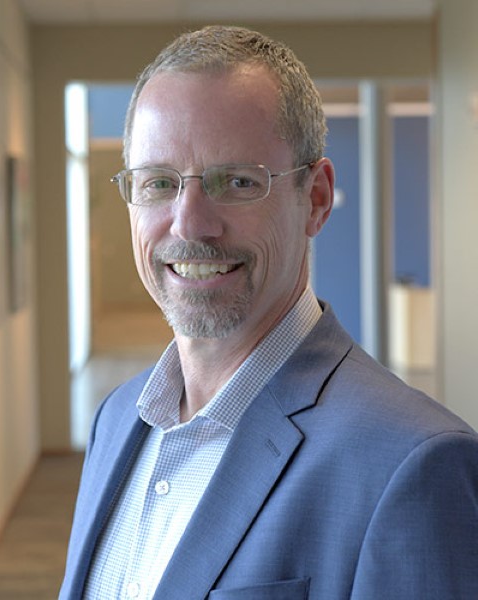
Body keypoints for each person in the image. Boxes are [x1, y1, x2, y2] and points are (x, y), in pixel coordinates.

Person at [60, 25, 478, 600]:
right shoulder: (116, 419)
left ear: (316, 199)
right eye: (158, 183)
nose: (189, 224)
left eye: (236, 182)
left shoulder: (411, 466)